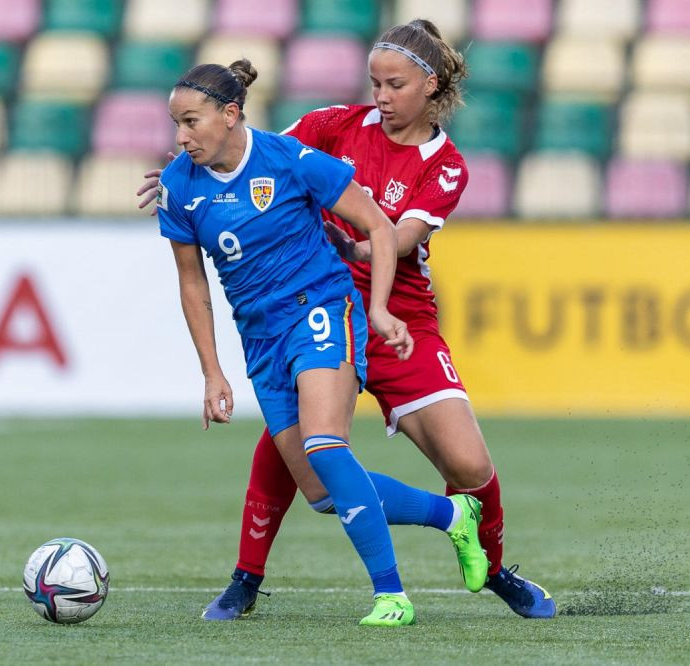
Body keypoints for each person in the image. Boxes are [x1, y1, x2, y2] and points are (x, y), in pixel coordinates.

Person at [139, 19, 556, 621]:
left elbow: (398, 234)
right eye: (374, 83)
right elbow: (250, 155)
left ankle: (492, 571)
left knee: (467, 466)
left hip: (398, 324)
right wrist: (183, 170)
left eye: (393, 85)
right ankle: (246, 579)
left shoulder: (446, 166)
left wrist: (358, 253)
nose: (380, 96)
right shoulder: (335, 124)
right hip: (310, 307)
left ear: (429, 86)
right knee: (301, 457)